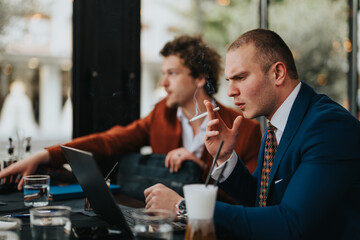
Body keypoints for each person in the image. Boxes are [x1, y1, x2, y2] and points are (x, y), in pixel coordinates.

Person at [144, 29, 360, 239]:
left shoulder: (329, 126)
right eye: (229, 80)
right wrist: (225, 157)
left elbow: (291, 224)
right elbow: (260, 201)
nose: (230, 91)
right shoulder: (275, 126)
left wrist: (183, 206)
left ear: (277, 73)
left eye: (240, 77)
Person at [0, 35, 262, 204]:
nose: (164, 82)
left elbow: (247, 203)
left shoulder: (245, 129)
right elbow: (108, 141)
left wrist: (199, 168)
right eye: (163, 73)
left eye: (172, 73)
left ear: (199, 78)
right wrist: (44, 157)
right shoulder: (162, 114)